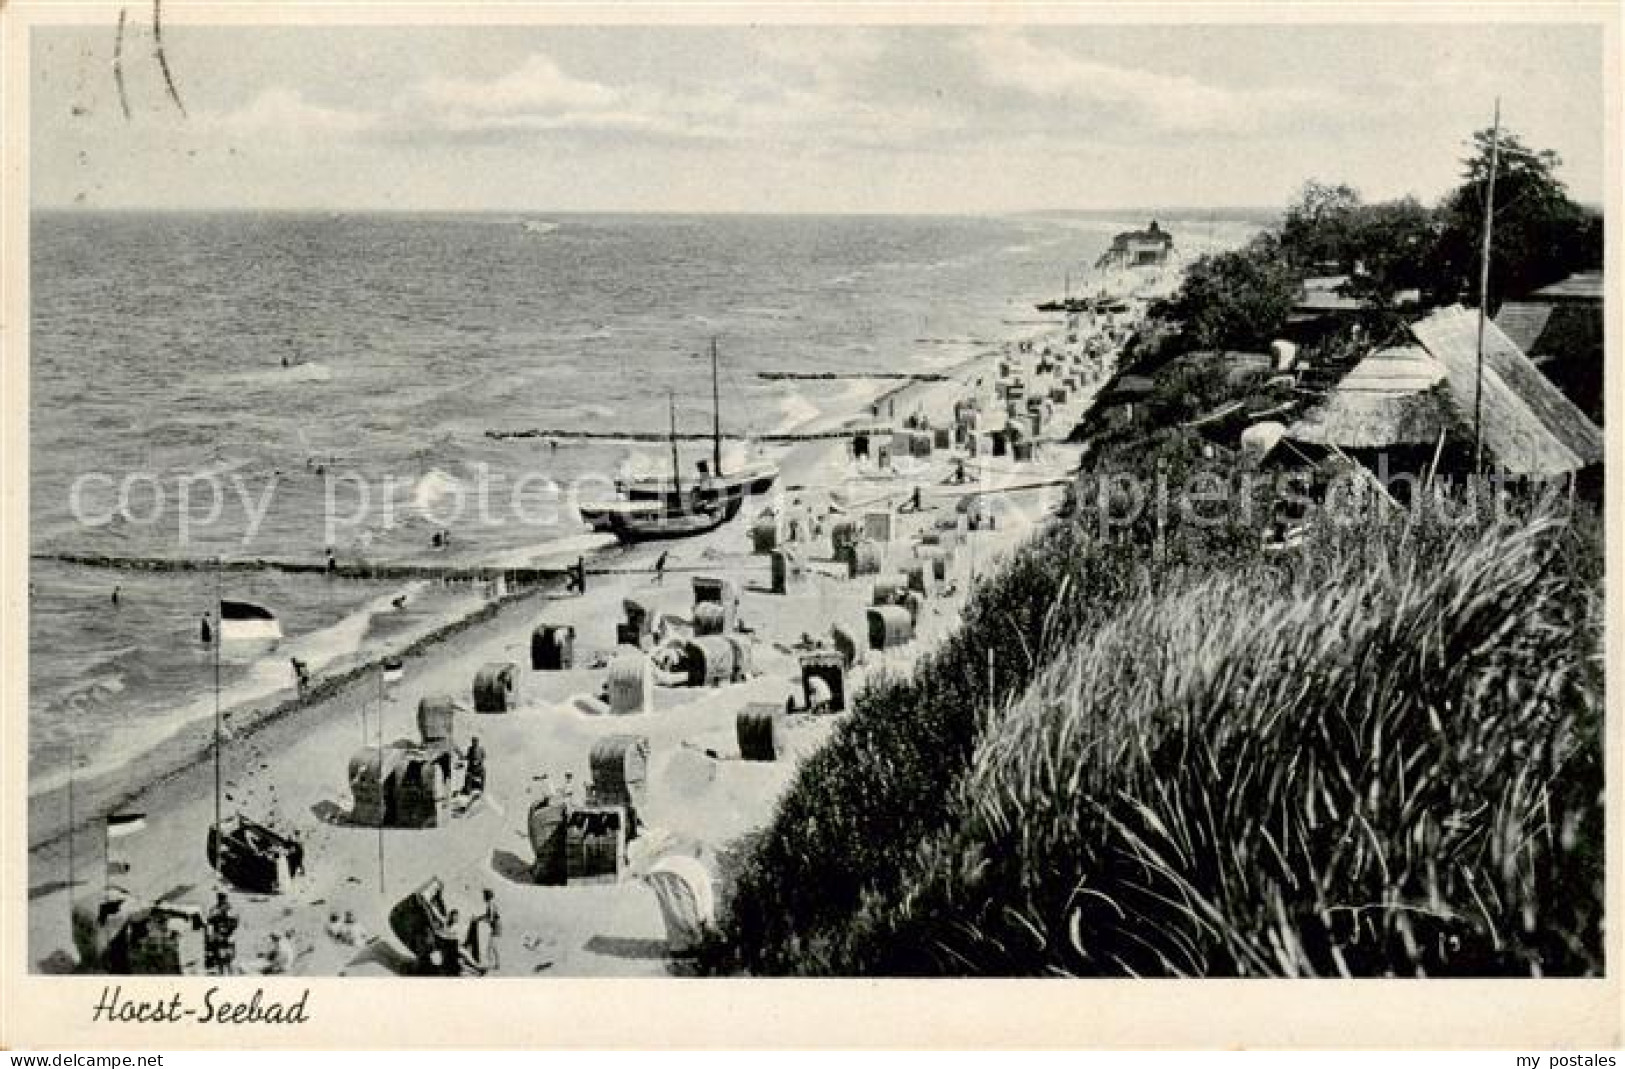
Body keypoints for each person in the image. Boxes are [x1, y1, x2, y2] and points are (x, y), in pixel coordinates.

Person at [206, 892, 238, 975]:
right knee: (220, 960)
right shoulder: (215, 909)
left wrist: (228, 930)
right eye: (220, 899)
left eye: (222, 898)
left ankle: (229, 975)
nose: (221, 900)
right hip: (219, 938)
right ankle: (223, 974)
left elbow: (235, 922)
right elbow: (210, 921)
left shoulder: (230, 909)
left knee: (228, 960)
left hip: (227, 938)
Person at [434, 909, 463, 976]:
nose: (456, 918)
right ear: (451, 916)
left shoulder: (456, 926)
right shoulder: (446, 921)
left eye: (457, 916)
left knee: (454, 960)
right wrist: (432, 906)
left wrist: (438, 933)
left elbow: (448, 936)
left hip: (453, 943)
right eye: (454, 916)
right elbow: (438, 915)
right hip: (447, 943)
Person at [480, 889, 502, 971]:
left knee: (491, 946)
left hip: (496, 926)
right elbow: (486, 915)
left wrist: (483, 921)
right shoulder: (490, 904)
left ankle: (494, 964)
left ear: (487, 896)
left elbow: (491, 918)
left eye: (484, 895)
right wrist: (478, 919)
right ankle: (495, 963)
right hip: (495, 926)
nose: (483, 897)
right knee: (491, 946)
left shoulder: (491, 905)